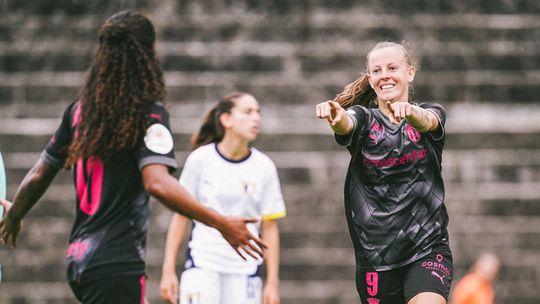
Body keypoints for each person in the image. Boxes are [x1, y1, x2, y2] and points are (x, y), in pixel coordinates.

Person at [0, 11, 265, 304]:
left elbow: (39, 174)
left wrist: (14, 215)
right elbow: (157, 182)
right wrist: (221, 223)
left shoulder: (79, 112)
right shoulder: (147, 114)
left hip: (81, 260)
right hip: (117, 262)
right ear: (147, 54)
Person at [316, 41, 453, 304]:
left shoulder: (431, 113)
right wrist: (337, 118)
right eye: (377, 71)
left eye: (393, 68)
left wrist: (410, 112)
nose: (385, 75)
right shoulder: (364, 119)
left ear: (409, 73)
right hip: (375, 259)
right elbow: (348, 123)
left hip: (427, 248)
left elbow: (429, 121)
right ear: (370, 79)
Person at [159, 92, 286, 304]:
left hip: (245, 269)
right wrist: (168, 270)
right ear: (225, 119)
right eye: (247, 112)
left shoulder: (264, 167)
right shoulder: (200, 159)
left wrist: (272, 282)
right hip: (203, 265)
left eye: (258, 113)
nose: (256, 118)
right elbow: (181, 216)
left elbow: (270, 227)